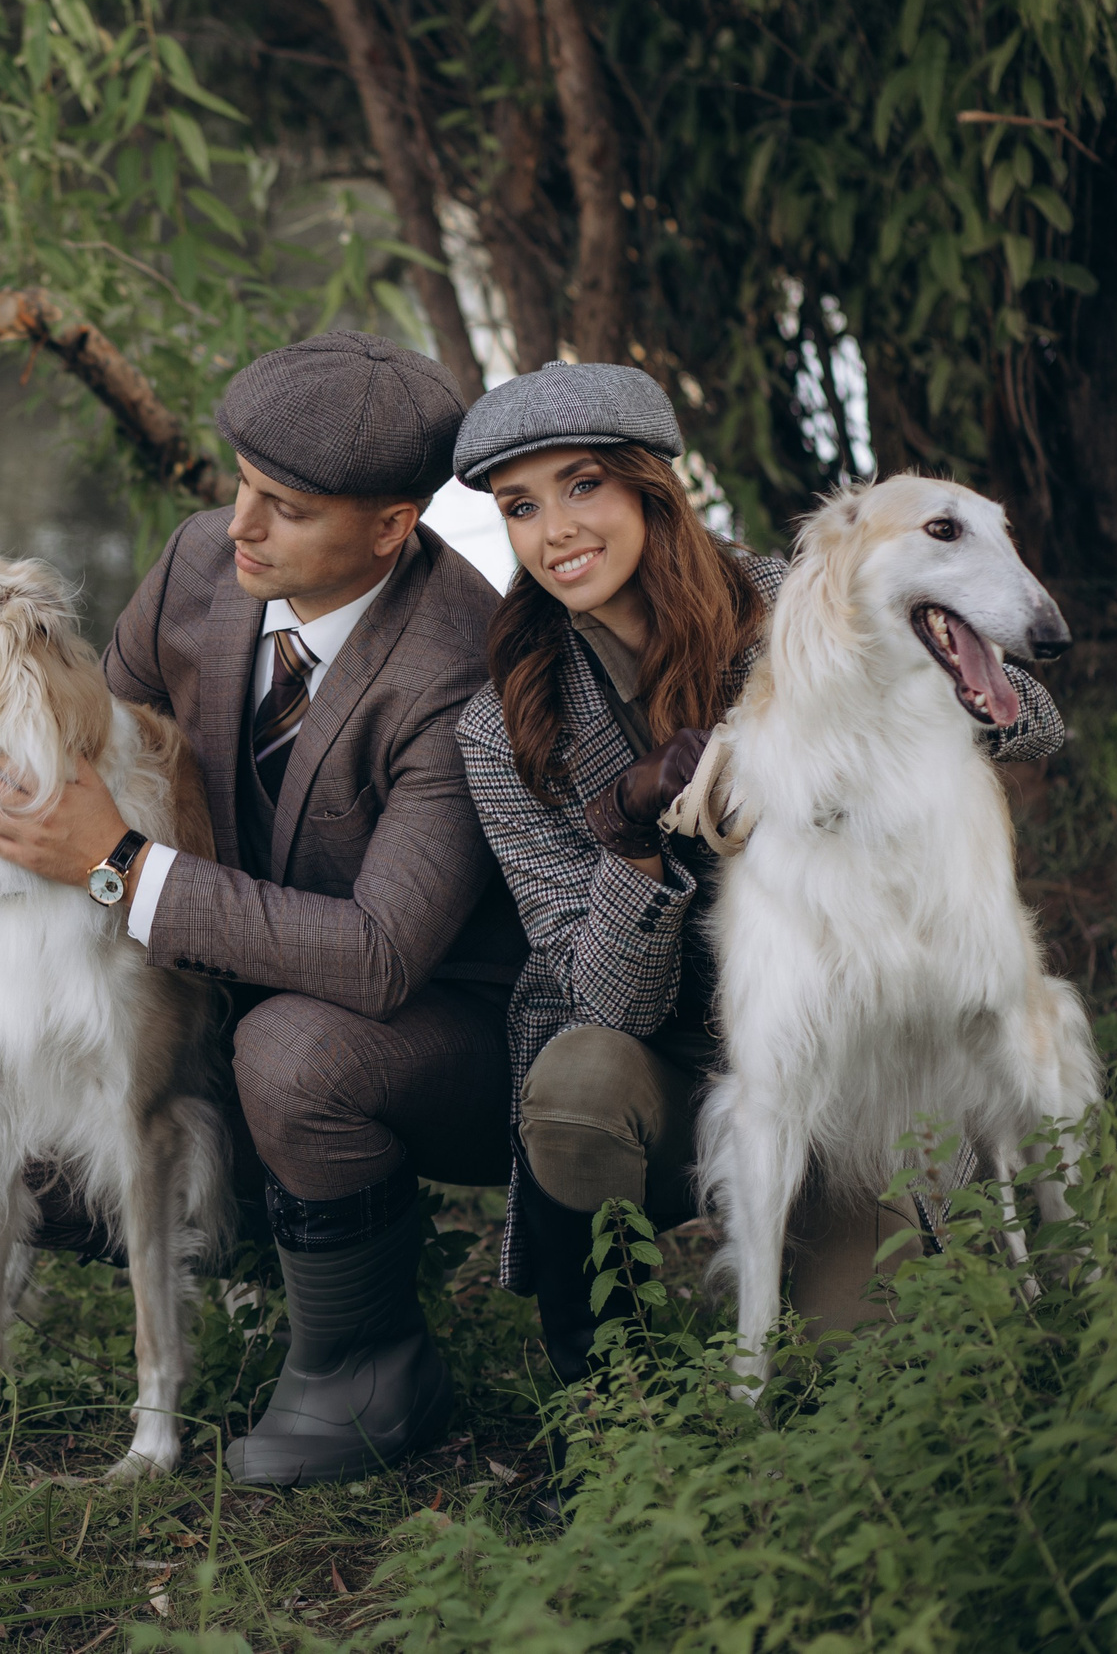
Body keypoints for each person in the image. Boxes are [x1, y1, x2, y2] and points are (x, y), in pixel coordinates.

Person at [0, 330, 526, 1485]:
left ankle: (371, 1366)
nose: (240, 526)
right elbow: (84, 754)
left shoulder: (457, 665)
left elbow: (377, 955)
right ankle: (258, 1259)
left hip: (450, 1033)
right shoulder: (207, 561)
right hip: (240, 965)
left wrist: (112, 861)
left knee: (293, 1051)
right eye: (242, 485)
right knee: (65, 1118)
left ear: (392, 529)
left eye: (286, 508)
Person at [449, 362, 1066, 1380]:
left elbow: (1027, 723)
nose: (554, 530)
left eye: (583, 485)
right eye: (521, 507)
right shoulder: (503, 725)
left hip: (850, 1052)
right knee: (570, 1086)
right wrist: (631, 830)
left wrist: (822, 708)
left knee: (859, 1369)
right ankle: (605, 1389)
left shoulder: (788, 595)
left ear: (651, 487)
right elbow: (600, 993)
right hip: (670, 1062)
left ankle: (880, 1252)